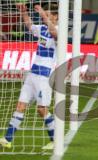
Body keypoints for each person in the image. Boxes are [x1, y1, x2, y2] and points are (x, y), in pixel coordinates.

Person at [0, 3, 58, 150]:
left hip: (45, 76)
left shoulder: (58, 30)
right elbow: (29, 25)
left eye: (49, 14)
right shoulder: (42, 29)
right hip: (33, 74)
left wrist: (43, 14)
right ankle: (7, 139)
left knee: (41, 109)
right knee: (20, 105)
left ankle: (55, 140)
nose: (47, 16)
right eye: (47, 14)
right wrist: (24, 12)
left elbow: (54, 34)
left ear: (56, 16)